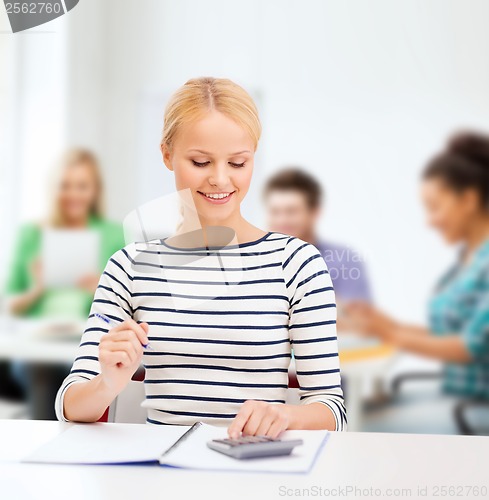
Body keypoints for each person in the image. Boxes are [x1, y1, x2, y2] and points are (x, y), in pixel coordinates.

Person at [56, 77, 347, 436]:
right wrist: (107, 384)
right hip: (159, 478)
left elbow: (332, 408)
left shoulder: (298, 264)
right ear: (167, 154)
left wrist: (286, 416)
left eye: (238, 163)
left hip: (255, 474)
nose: (220, 180)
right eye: (200, 161)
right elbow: (70, 405)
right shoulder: (127, 267)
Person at [345, 131, 489, 402]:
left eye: (435, 207)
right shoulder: (465, 263)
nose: (430, 221)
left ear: (469, 200)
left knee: (359, 423)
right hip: (457, 403)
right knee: (363, 413)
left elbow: (468, 347)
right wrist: (384, 323)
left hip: (474, 412)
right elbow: (446, 334)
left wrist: (389, 334)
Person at [2, 148, 125, 418]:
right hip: (38, 346)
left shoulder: (113, 235)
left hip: (90, 342)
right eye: (65, 185)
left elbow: (126, 306)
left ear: (94, 191)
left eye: (82, 186)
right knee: (42, 372)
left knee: (83, 375)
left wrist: (100, 290)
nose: (73, 194)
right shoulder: (31, 235)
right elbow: (11, 305)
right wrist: (36, 289)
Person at [263, 168, 372, 304]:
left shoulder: (344, 261)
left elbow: (357, 319)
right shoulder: (255, 261)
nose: (282, 220)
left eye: (291, 212)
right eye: (275, 212)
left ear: (314, 213)